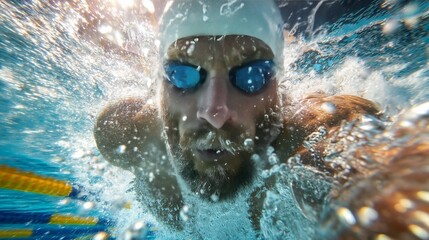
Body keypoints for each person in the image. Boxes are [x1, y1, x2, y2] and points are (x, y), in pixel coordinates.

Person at [94, 0, 429, 238]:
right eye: (183, 76)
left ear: (278, 88)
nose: (214, 112)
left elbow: (379, 164)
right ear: (160, 86)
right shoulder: (127, 135)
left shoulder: (306, 138)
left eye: (251, 76)